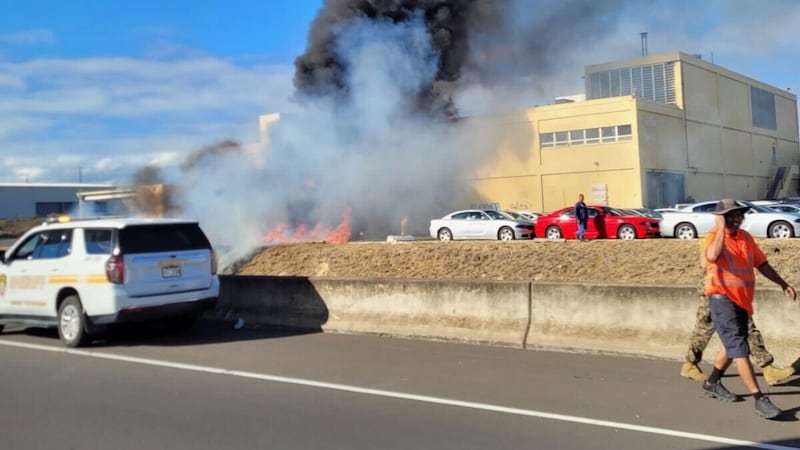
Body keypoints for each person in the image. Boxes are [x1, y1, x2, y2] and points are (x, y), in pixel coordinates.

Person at [699, 199, 796, 419]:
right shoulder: (712, 237)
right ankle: (759, 399)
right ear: (720, 218)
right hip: (721, 299)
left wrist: (783, 283)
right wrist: (721, 229)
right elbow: (711, 256)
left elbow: (762, 264)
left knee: (731, 344)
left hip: (742, 301)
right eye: (731, 215)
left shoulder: (746, 238)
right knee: (739, 348)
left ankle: (712, 382)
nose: (736, 219)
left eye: (739, 215)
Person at [680, 290, 795, 385]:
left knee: (746, 326)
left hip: (734, 289)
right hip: (716, 289)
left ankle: (767, 368)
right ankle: (690, 364)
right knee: (705, 326)